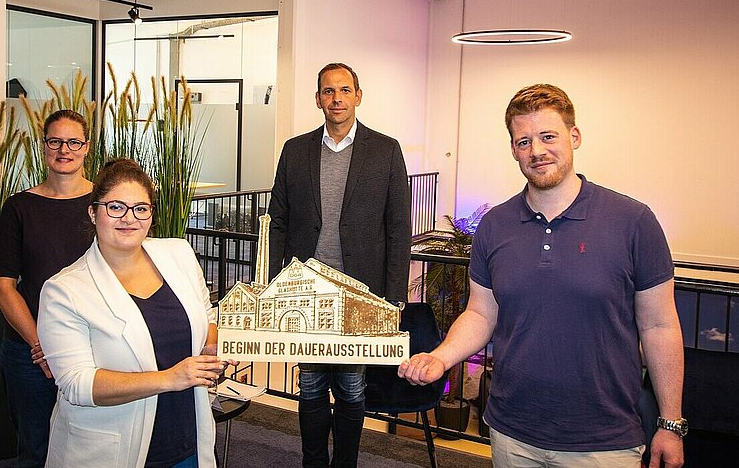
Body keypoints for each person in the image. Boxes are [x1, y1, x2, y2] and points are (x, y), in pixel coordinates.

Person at [398, 84, 686, 468]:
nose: (536, 151)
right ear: (514, 149)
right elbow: (482, 314)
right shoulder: (495, 226)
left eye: (548, 136)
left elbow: (660, 325)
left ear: (575, 136)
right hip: (511, 432)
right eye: (523, 141)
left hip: (604, 441)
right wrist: (440, 357)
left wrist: (670, 423)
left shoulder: (633, 221)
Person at [37, 158, 228, 468]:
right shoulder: (64, 290)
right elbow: (78, 384)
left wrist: (212, 346)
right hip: (111, 449)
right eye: (116, 207)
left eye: (141, 208)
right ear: (93, 211)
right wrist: (169, 379)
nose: (129, 218)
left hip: (186, 439)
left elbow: (207, 317)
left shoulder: (178, 253)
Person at [268, 62, 411, 468]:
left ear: (358, 96)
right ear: (317, 99)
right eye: (328, 91)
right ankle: (313, 463)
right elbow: (277, 219)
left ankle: (345, 463)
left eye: (344, 90)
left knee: (351, 386)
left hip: (360, 293)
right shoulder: (295, 150)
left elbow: (399, 227)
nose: (336, 99)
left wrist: (395, 296)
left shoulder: (385, 150)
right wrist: (273, 284)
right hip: (307, 291)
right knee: (310, 384)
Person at [0, 109, 94, 467]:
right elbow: (3, 286)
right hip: (29, 353)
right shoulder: (19, 207)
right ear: (44, 146)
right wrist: (42, 346)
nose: (63, 149)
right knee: (36, 448)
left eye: (73, 141)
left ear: (86, 147)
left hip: (94, 346)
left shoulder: (106, 206)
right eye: (55, 141)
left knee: (92, 447)